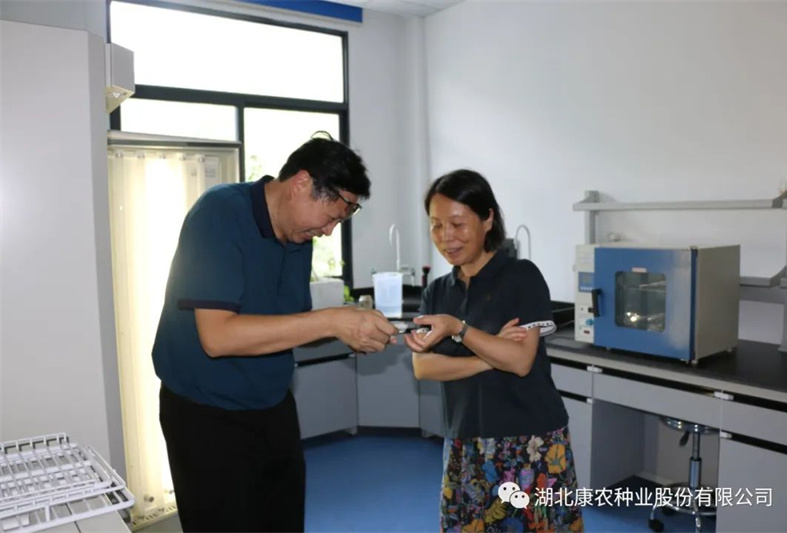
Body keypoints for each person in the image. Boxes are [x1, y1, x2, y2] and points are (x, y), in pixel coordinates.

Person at [152, 136, 398, 532]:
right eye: (330, 218)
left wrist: (352, 329)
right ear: (301, 183)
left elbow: (291, 326)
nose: (328, 232)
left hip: (271, 406)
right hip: (206, 412)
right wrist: (332, 321)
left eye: (338, 223)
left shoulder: (299, 237)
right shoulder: (219, 214)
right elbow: (218, 337)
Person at [405, 169, 583, 532]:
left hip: (530, 442)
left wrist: (459, 330)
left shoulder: (521, 277)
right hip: (465, 443)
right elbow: (423, 367)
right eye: (436, 225)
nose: (446, 236)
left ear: (487, 219)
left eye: (458, 224)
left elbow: (520, 362)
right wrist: (489, 356)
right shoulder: (438, 292)